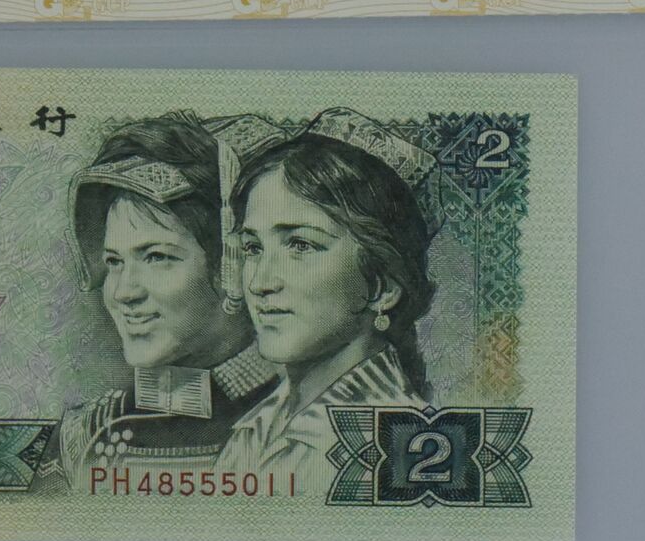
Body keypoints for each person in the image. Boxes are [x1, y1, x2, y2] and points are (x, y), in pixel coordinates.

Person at [31, 111, 287, 494]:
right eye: (114, 262)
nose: (124, 292)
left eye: (156, 257)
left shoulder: (304, 424)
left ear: (232, 265)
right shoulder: (83, 437)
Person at [215, 108, 437, 494]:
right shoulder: (255, 428)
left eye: (300, 245)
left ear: (382, 286)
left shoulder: (401, 448)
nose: (260, 282)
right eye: (253, 248)